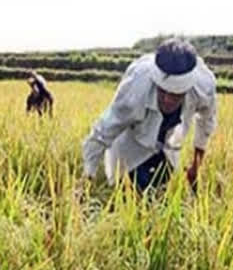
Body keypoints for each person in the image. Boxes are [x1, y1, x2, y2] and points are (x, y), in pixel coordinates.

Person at [81, 38, 217, 195]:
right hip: (133, 144)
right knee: (130, 195)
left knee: (161, 192)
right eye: (162, 91)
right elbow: (102, 131)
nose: (167, 100)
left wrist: (195, 166)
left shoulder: (204, 86)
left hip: (168, 145)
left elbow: (206, 123)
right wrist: (87, 179)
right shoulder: (135, 89)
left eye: (175, 95)